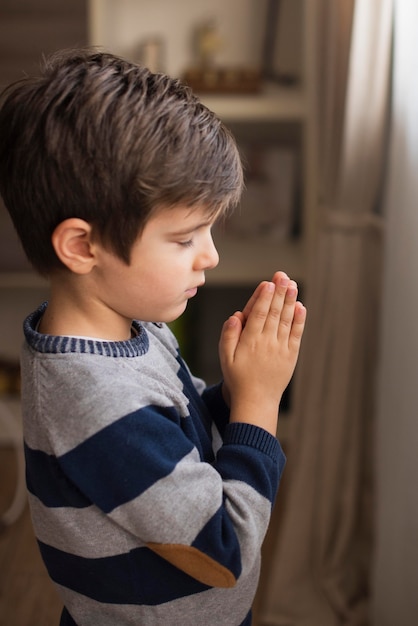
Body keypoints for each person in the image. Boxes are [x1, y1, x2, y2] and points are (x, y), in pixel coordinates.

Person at [0, 49, 306, 626]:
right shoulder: (96, 403)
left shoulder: (127, 329)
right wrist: (262, 402)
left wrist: (238, 385)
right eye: (186, 237)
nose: (211, 256)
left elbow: (183, 444)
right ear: (83, 247)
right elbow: (224, 550)